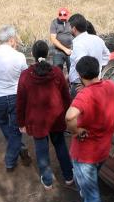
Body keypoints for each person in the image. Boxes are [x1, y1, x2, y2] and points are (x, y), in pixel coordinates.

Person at [66, 56, 114, 202]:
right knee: (88, 188)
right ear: (98, 70)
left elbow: (70, 116)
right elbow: (98, 96)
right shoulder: (111, 86)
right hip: (103, 149)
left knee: (90, 193)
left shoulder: (84, 96)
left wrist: (75, 130)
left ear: (80, 76)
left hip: (85, 154)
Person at [16, 41, 74, 189]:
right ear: (48, 54)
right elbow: (66, 96)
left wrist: (21, 122)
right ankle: (68, 176)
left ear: (32, 55)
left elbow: (21, 101)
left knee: (41, 149)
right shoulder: (57, 72)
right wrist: (68, 116)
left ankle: (47, 180)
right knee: (60, 145)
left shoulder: (25, 75)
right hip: (56, 117)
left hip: (36, 120)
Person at [0, 25, 31, 172]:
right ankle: (13, 157)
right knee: (16, 128)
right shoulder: (19, 56)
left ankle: (15, 153)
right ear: (11, 40)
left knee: (3, 122)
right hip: (15, 95)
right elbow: (25, 76)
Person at [67, 13, 110, 97]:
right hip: (96, 81)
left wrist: (86, 85)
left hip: (81, 85)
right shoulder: (97, 39)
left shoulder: (78, 43)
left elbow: (83, 66)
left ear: (74, 29)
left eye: (69, 27)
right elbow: (107, 56)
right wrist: (99, 67)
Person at [49, 7, 73, 73]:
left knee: (72, 71)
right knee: (56, 71)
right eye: (61, 18)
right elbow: (53, 39)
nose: (63, 20)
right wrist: (65, 49)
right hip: (58, 51)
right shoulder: (54, 22)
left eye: (64, 18)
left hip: (71, 50)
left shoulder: (72, 22)